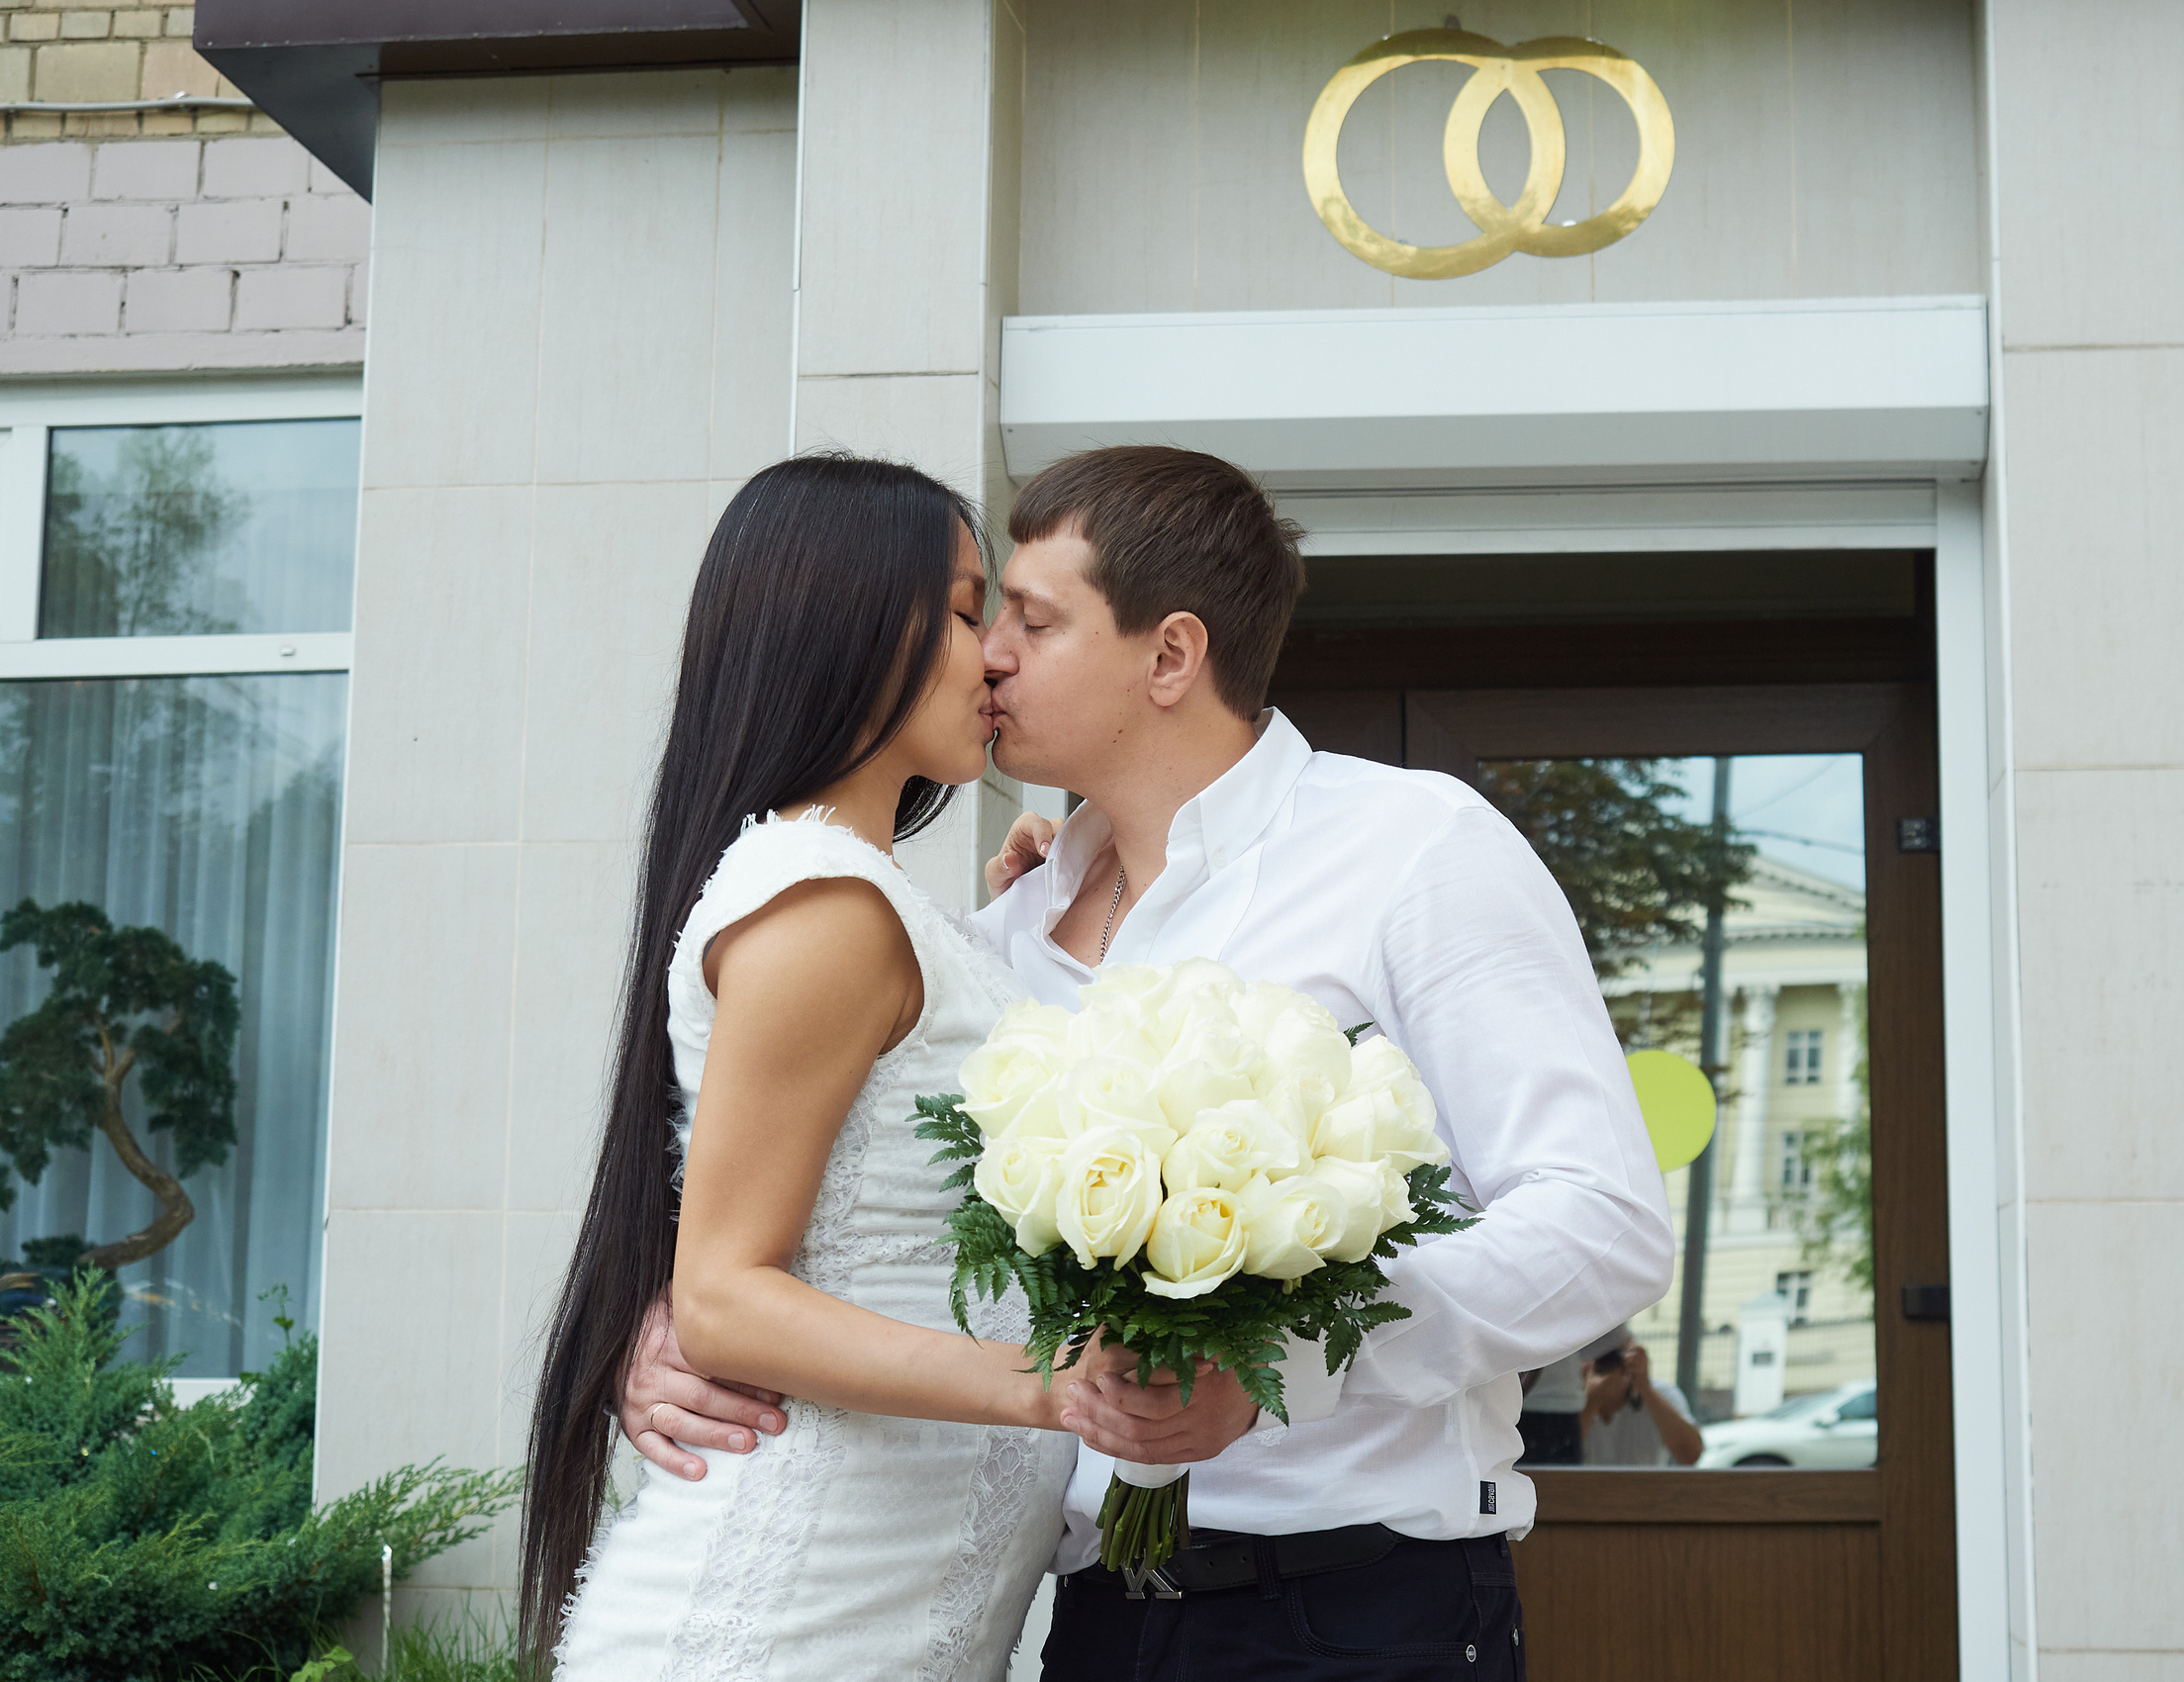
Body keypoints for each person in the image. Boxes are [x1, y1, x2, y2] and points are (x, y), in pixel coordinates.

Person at [621, 444, 1675, 1681]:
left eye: (1031, 620)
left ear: (1171, 655)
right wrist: (674, 1334)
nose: (991, 655)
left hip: (1354, 1604)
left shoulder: (1412, 848)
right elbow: (853, 1204)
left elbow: (1601, 1225)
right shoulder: (996, 940)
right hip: (1091, 1618)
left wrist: (1283, 1366)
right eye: (984, 616)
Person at [519, 455, 1246, 1682]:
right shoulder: (826, 908)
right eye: (966, 612)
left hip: (882, 1617)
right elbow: (724, 1299)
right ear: (845, 627)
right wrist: (1048, 1386)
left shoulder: (883, 909)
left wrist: (1044, 907)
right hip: (793, 1623)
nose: (995, 656)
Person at [1576, 1331, 1705, 1468]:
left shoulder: (1662, 1393)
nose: (1607, 1363)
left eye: (1613, 1357)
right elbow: (1564, 1456)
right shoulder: (1571, 1400)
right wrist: (1589, 1403)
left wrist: (1645, 1389)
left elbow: (1691, 1456)